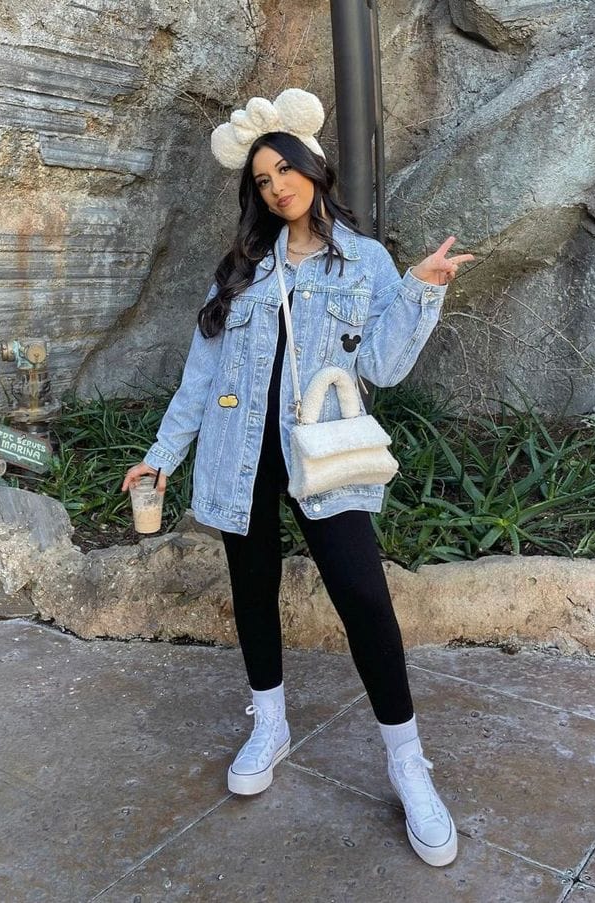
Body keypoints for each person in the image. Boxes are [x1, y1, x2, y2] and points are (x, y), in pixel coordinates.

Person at [122, 88, 474, 868]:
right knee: (252, 590)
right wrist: (161, 455)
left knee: (363, 598)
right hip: (238, 453)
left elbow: (381, 364)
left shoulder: (364, 260)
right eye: (261, 179)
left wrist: (422, 288)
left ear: (313, 167)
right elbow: (199, 376)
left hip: (323, 453)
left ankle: (407, 762)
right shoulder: (241, 270)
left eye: (284, 168)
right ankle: (270, 723)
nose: (275, 185)